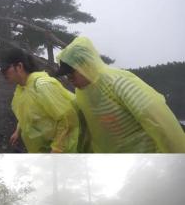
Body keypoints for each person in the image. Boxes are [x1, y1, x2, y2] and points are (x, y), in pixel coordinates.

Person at [56, 36, 185, 152]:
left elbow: (159, 122)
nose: (69, 79)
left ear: (86, 65)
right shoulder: (83, 93)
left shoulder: (118, 82)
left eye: (71, 73)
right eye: (66, 75)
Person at [0, 48, 81, 153]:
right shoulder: (22, 88)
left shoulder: (42, 86)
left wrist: (57, 149)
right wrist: (18, 131)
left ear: (19, 67)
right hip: (42, 149)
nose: (2, 73)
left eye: (5, 68)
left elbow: (68, 119)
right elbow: (26, 112)